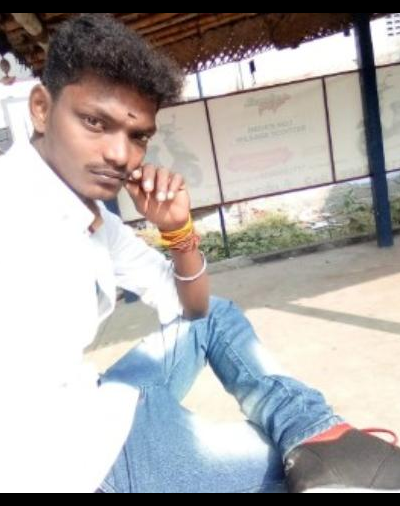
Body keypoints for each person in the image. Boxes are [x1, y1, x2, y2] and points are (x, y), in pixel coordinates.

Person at [0, 14, 399, 493]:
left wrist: (177, 230)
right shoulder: (13, 208)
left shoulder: (86, 210)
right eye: (94, 122)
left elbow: (195, 308)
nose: (120, 155)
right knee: (311, 474)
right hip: (79, 460)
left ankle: (313, 430)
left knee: (218, 318)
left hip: (98, 399)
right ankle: (321, 451)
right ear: (41, 108)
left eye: (137, 136)